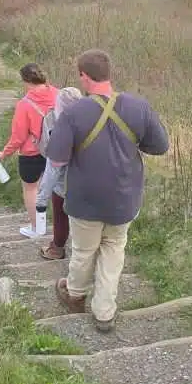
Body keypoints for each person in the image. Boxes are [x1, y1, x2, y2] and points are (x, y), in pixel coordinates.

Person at [46, 49, 169, 332]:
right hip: (124, 197)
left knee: (84, 250)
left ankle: (75, 294)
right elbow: (160, 146)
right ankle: (104, 311)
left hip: (85, 198)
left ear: (83, 76)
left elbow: (57, 158)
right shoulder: (139, 107)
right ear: (109, 73)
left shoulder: (74, 112)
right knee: (114, 249)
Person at [0, 63, 58, 238]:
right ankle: (60, 227)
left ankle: (37, 228)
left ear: (26, 81)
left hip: (32, 152)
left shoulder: (25, 104)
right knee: (57, 188)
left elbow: (18, 136)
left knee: (31, 189)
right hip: (57, 149)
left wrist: (5, 153)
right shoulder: (58, 95)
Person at [35, 86, 82, 260]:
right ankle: (86, 252)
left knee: (60, 215)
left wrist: (41, 199)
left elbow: (49, 156)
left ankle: (57, 248)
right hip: (88, 179)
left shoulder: (52, 120)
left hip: (63, 182)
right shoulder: (91, 117)